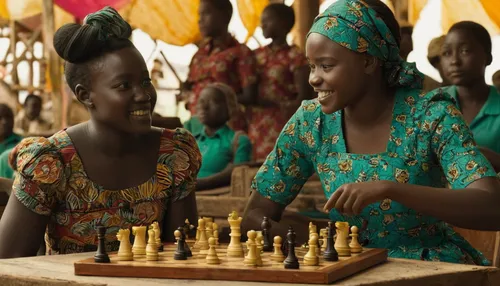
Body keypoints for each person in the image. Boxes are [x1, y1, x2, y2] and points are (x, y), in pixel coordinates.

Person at [242, 0, 500, 266]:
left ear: (368, 62)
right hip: (345, 266)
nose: (313, 79)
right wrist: (313, 239)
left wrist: (391, 189)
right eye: (312, 66)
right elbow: (254, 214)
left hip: (429, 269)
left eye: (327, 66)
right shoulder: (311, 122)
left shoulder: (431, 116)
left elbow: (491, 207)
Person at [0, 7, 200, 258]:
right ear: (85, 95)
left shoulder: (173, 154)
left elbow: (182, 252)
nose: (143, 95)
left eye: (145, 81)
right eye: (124, 85)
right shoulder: (51, 163)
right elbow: (8, 264)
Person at [249, 3, 313, 161]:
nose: (262, 24)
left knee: (279, 164)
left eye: (268, 20)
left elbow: (304, 96)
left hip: (282, 122)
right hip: (256, 122)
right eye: (262, 20)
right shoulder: (255, 55)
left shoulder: (295, 55)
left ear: (284, 23)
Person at [182, 0, 257, 132]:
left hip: (226, 130)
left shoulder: (240, 52)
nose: (200, 21)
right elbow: (189, 85)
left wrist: (215, 101)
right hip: (197, 128)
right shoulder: (199, 54)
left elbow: (250, 96)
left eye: (206, 13)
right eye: (200, 15)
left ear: (226, 16)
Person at [440, 21, 500, 171]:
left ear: (488, 57)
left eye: (465, 51)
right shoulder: (433, 104)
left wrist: (493, 159)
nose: (454, 61)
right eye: (447, 53)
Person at [192, 83, 252, 190]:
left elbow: (238, 177)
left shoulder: (238, 141)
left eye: (213, 101)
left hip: (217, 202)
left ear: (229, 107)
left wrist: (197, 185)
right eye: (201, 101)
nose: (204, 106)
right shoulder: (190, 141)